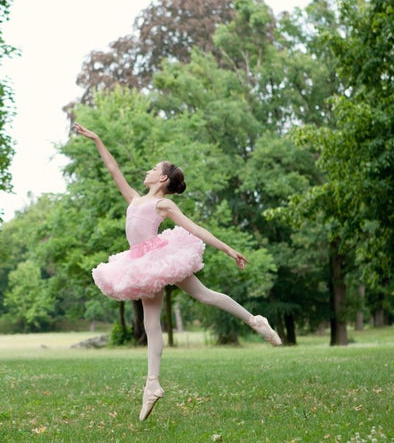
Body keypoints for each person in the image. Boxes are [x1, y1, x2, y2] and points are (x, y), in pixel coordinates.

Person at [73, 123, 281, 422]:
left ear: (163, 178)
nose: (147, 171)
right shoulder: (134, 198)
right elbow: (113, 168)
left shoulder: (162, 203)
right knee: (151, 323)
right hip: (139, 262)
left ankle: (255, 321)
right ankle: (152, 385)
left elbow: (194, 228)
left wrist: (227, 248)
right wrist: (97, 140)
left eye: (152, 168)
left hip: (160, 256)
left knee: (203, 296)